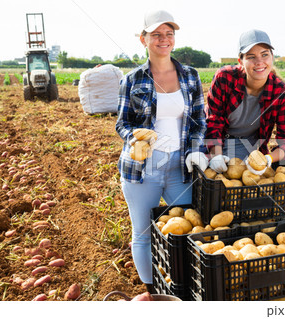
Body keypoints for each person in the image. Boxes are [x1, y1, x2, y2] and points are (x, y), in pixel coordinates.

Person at [115, 9, 208, 293]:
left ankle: (187, 290)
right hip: (142, 168)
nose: (163, 39)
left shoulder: (190, 76)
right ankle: (153, 294)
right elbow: (122, 123)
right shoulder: (132, 79)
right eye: (156, 34)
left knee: (191, 229)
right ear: (143, 39)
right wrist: (135, 138)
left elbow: (199, 121)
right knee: (143, 234)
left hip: (180, 166)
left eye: (169, 34)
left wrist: (195, 150)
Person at [205, 29, 285, 174]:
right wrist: (215, 156)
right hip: (213, 141)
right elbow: (214, 121)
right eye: (251, 56)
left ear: (272, 57)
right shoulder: (225, 78)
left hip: (247, 146)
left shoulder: (281, 93)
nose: (259, 62)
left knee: (241, 186)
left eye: (265, 54)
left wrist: (267, 159)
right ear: (241, 61)